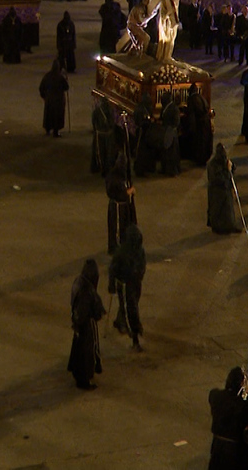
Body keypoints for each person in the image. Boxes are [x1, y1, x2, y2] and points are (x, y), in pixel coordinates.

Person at [67, 259, 105, 390]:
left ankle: (80, 375)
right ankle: (84, 379)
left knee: (79, 350)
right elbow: (87, 309)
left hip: (79, 322)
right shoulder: (86, 290)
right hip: (85, 324)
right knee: (86, 352)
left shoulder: (79, 282)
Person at [208, 368, 248, 470]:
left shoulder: (217, 397)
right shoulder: (243, 405)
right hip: (236, 451)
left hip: (218, 447)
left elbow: (214, 393)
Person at [110, 224, 146, 352]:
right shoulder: (121, 253)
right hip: (125, 284)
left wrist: (139, 275)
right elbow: (113, 269)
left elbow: (143, 265)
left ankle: (120, 321)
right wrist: (112, 285)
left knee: (131, 305)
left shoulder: (139, 251)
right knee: (130, 308)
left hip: (135, 284)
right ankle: (134, 336)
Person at [207, 144, 242, 234]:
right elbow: (219, 179)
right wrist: (227, 170)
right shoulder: (212, 165)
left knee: (229, 210)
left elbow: (232, 169)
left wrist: (231, 167)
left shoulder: (224, 162)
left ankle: (230, 225)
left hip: (226, 191)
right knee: (218, 211)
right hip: (217, 193)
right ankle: (218, 227)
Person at [106, 153, 136, 254]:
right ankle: (116, 246)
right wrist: (130, 191)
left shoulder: (116, 175)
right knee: (117, 228)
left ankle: (120, 244)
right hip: (117, 207)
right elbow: (121, 193)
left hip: (120, 206)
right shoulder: (116, 177)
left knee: (121, 227)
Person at [39, 59, 68, 137]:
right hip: (58, 99)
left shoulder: (47, 76)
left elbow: (41, 87)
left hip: (49, 99)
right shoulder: (60, 77)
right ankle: (56, 131)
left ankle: (48, 129)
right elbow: (66, 87)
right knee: (57, 115)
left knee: (49, 114)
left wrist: (44, 96)